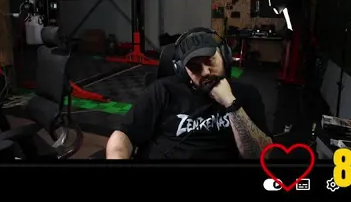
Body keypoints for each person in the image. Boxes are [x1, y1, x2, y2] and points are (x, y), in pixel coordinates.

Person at [106, 30, 272, 159]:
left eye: (209, 61)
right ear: (183, 71)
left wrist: (230, 103)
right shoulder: (162, 90)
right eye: (194, 67)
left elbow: (259, 155)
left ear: (224, 56)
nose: (205, 72)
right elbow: (123, 135)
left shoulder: (246, 93)